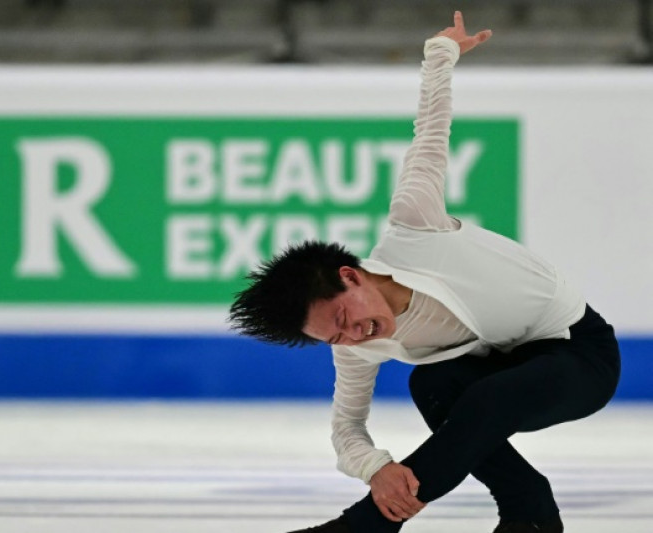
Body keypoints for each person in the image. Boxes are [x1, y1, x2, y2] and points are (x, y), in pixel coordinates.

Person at [228, 11, 620, 533]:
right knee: (432, 383)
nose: (351, 337)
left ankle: (365, 528)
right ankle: (529, 508)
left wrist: (440, 54)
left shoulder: (415, 226)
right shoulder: (355, 346)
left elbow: (431, 130)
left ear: (351, 275)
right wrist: (377, 468)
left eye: (344, 318)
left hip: (579, 356)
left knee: (484, 397)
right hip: (502, 373)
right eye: (334, 337)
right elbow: (347, 427)